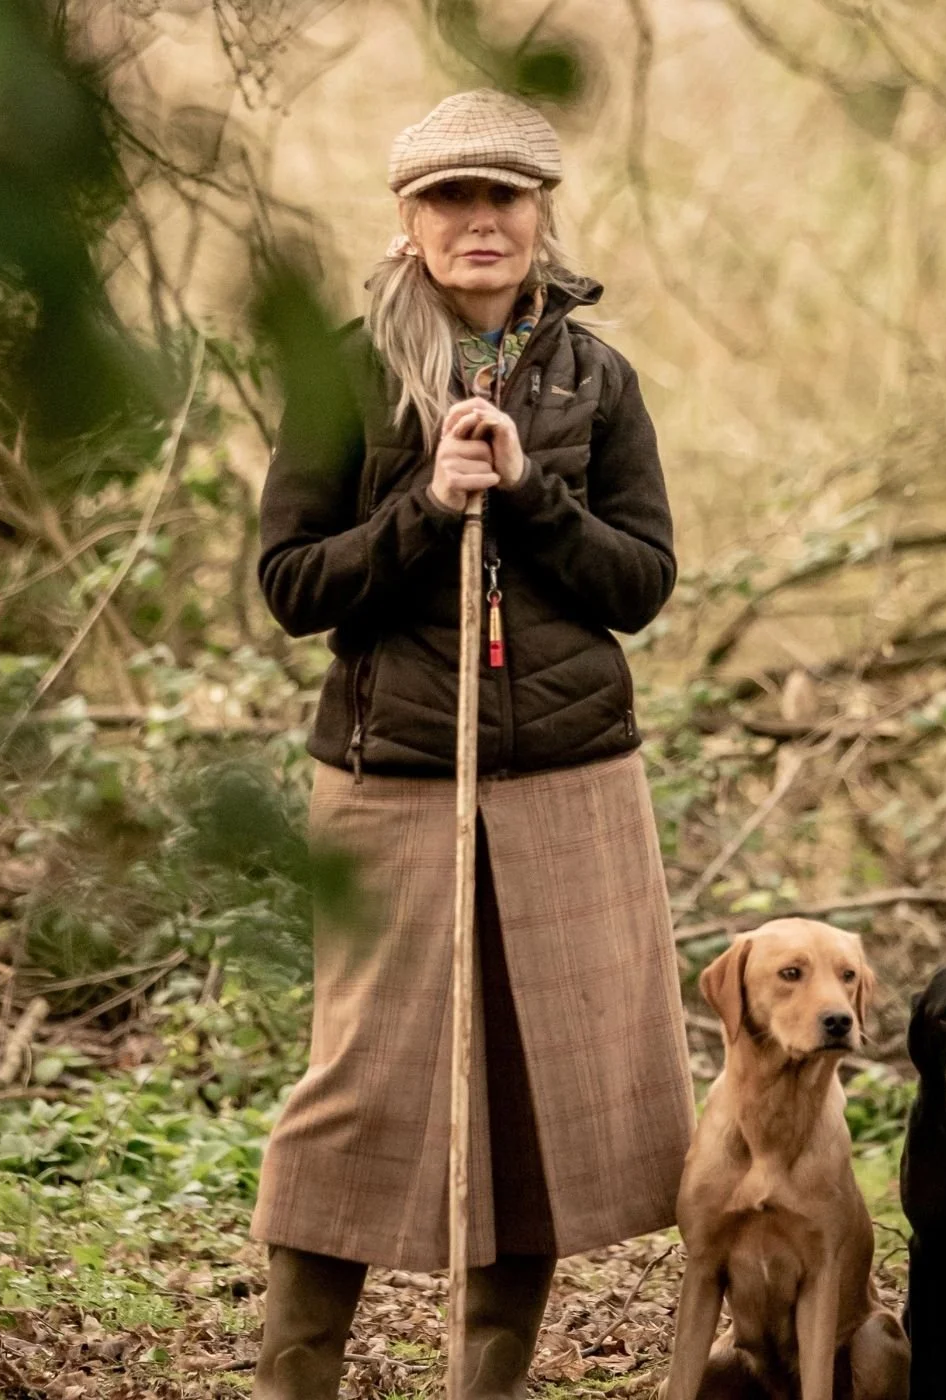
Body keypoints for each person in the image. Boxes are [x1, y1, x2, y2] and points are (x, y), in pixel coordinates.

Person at [249, 89, 695, 1399]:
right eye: (451, 197)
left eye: (504, 195)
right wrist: (429, 503)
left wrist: (533, 492)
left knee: (541, 1086)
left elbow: (641, 584)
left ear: (540, 214)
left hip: (571, 776)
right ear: (409, 219)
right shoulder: (344, 373)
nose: (479, 219)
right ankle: (294, 1380)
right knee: (362, 1083)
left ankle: (486, 1386)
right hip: (389, 774)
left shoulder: (597, 379)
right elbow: (291, 586)